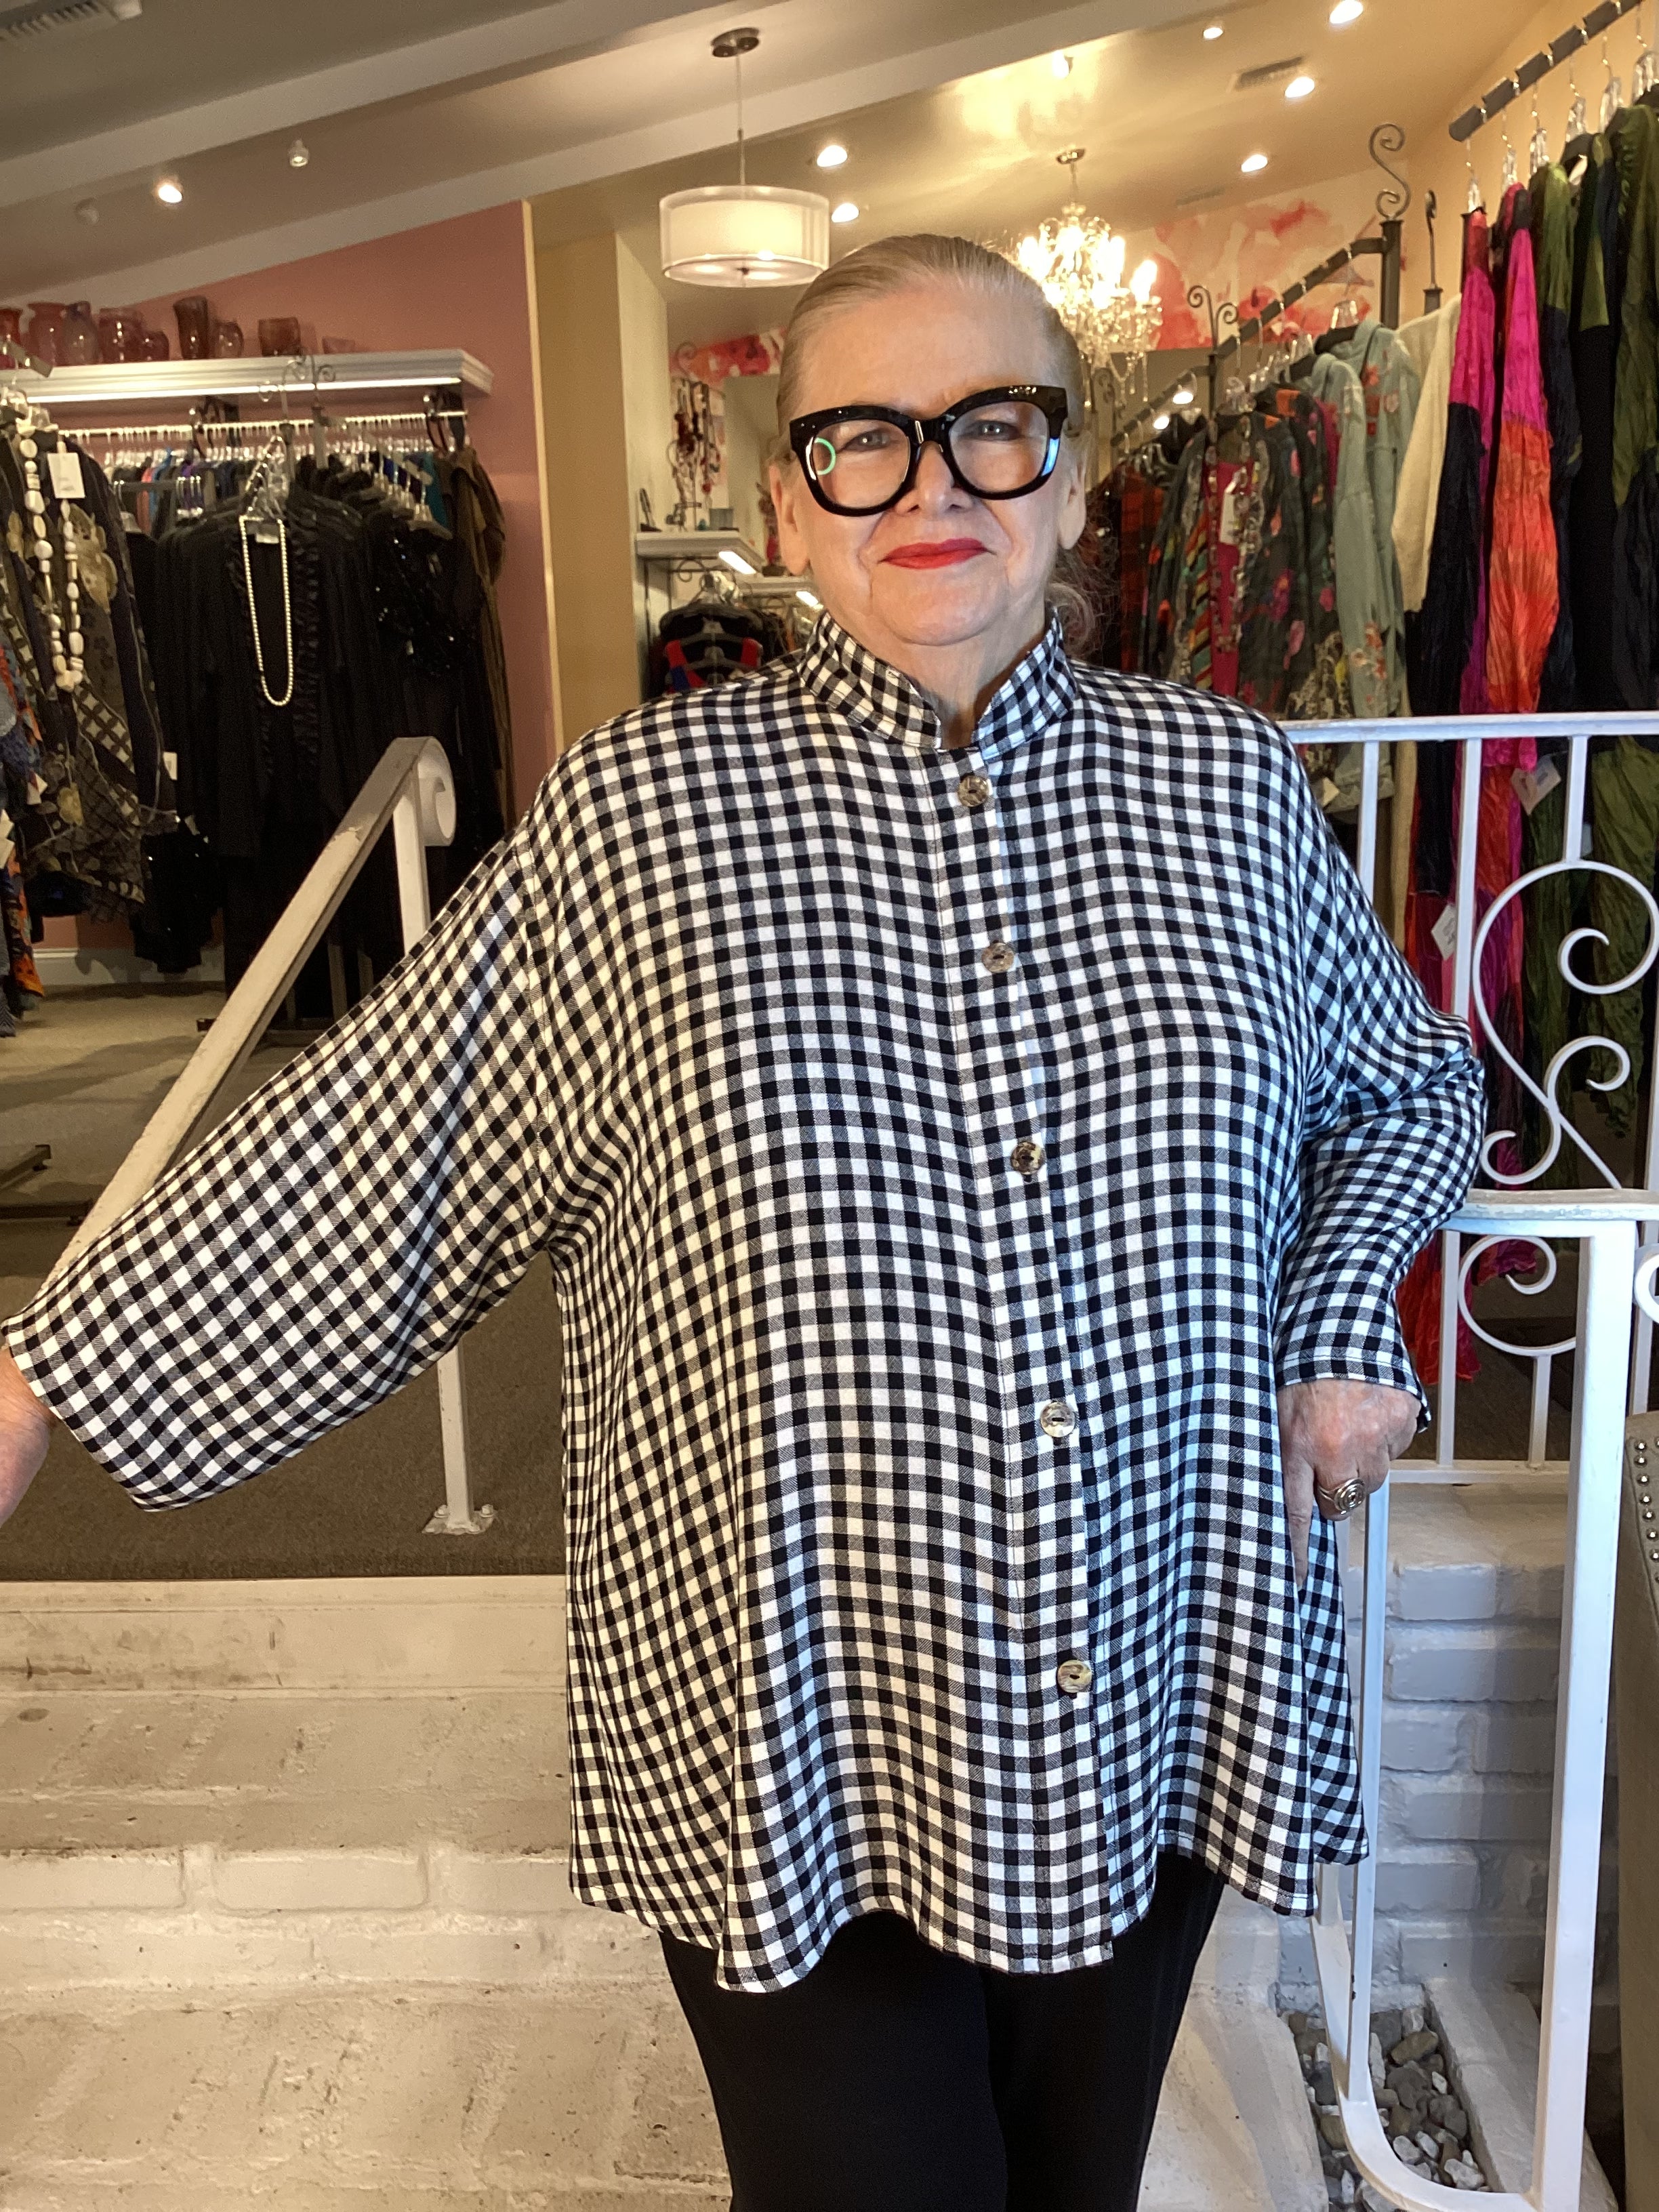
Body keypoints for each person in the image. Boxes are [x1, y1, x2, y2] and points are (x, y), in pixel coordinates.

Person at [0, 234, 1485, 2211]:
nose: (933, 483)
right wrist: (38, 1383)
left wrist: (1341, 1328)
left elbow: (1406, 1086)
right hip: (797, 1705)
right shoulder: (641, 821)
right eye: (864, 437)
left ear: (1068, 476)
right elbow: (386, 1142)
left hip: (1147, 1660)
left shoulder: (1226, 791)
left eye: (993, 425)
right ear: (787, 502)